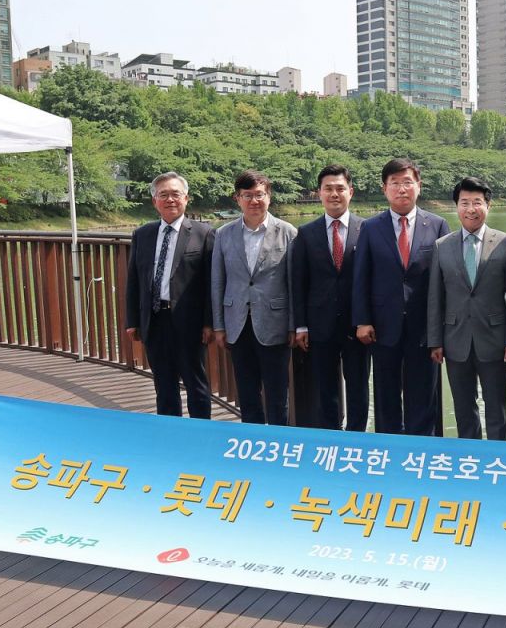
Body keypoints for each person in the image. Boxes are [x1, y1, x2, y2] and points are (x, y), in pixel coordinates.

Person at [353, 158, 450, 435]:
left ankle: (422, 449)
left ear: (419, 186)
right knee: (386, 395)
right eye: (394, 183)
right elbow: (361, 277)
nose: (401, 189)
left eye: (407, 182)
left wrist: (442, 329)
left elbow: (446, 281)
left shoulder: (438, 225)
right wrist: (362, 320)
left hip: (424, 329)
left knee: (424, 395)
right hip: (383, 327)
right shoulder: (371, 227)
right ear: (384, 189)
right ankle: (389, 449)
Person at [428, 177, 506, 440]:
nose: (471, 209)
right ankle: (470, 456)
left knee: (496, 409)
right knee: (463, 409)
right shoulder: (442, 246)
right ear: (456, 207)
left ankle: (498, 456)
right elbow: (435, 298)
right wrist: (435, 341)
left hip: (494, 340)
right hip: (454, 339)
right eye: (465, 203)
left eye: (477, 202)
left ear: (488, 206)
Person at [125, 172, 215, 419]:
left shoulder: (204, 233)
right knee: (163, 386)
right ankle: (170, 433)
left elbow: (211, 283)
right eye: (163, 195)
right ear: (154, 201)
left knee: (196, 384)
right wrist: (132, 320)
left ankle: (201, 432)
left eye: (175, 194)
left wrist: (209, 322)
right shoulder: (143, 234)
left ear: (186, 198)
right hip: (154, 320)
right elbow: (134, 280)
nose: (170, 199)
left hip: (190, 323)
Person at [211, 170, 297, 425]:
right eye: (247, 195)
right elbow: (218, 282)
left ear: (269, 197)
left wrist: (294, 325)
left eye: (259, 195)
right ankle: (251, 439)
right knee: (247, 393)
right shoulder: (223, 234)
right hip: (237, 323)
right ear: (237, 199)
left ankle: (278, 440)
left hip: (275, 324)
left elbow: (294, 283)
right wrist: (219, 325)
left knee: (277, 394)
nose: (254, 201)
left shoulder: (288, 232)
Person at [291, 164, 370, 431]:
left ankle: (357, 437)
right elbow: (299, 282)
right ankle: (332, 437)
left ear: (351, 192)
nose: (334, 194)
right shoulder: (306, 233)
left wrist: (368, 319)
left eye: (340, 188)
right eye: (328, 189)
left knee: (359, 386)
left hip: (357, 325)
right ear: (319, 193)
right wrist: (300, 325)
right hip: (319, 324)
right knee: (325, 387)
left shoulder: (367, 229)